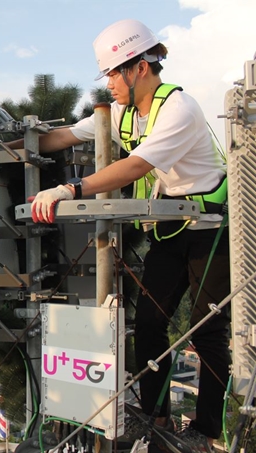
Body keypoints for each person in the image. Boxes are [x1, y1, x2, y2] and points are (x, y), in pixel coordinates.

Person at [25, 19, 230, 453]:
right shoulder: (121, 112)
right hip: (169, 228)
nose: (110, 85)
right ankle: (157, 417)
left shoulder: (178, 108)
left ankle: (206, 431)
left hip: (208, 230)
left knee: (205, 328)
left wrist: (70, 189)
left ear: (138, 67)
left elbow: (137, 164)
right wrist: (18, 143)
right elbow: (67, 135)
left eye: (113, 74)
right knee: (151, 324)